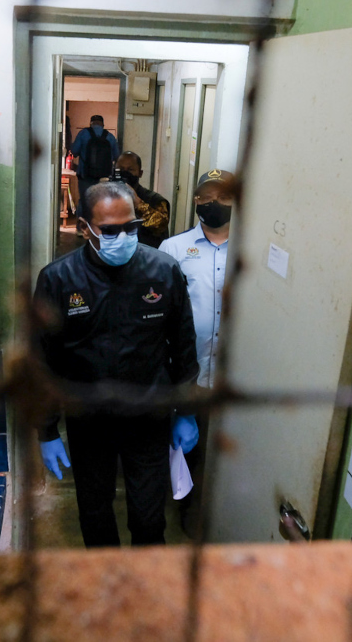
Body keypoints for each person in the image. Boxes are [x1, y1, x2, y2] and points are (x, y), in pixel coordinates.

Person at [33, 182, 200, 547]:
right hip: (89, 420)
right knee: (95, 512)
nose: (123, 237)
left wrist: (185, 411)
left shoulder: (163, 270)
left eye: (131, 227)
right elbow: (43, 361)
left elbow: (184, 347)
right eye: (110, 230)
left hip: (148, 416)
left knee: (149, 518)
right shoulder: (58, 280)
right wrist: (46, 431)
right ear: (84, 228)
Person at [158, 168, 235, 535]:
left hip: (231, 374)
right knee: (185, 447)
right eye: (206, 196)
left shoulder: (250, 253)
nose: (214, 203)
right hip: (187, 371)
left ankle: (216, 515)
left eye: (223, 196)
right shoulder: (173, 249)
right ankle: (185, 511)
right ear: (195, 201)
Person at [111, 151, 171, 249]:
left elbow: (160, 225)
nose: (125, 173)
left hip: (145, 256)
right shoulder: (106, 198)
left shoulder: (155, 200)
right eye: (120, 169)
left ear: (140, 173)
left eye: (130, 170)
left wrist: (137, 203)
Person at [70, 115, 120, 223]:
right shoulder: (110, 137)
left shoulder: (83, 134)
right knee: (102, 201)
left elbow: (74, 151)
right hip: (104, 177)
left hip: (85, 176)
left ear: (91, 123)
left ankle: (81, 228)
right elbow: (117, 156)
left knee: (84, 201)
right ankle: (100, 227)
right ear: (102, 124)